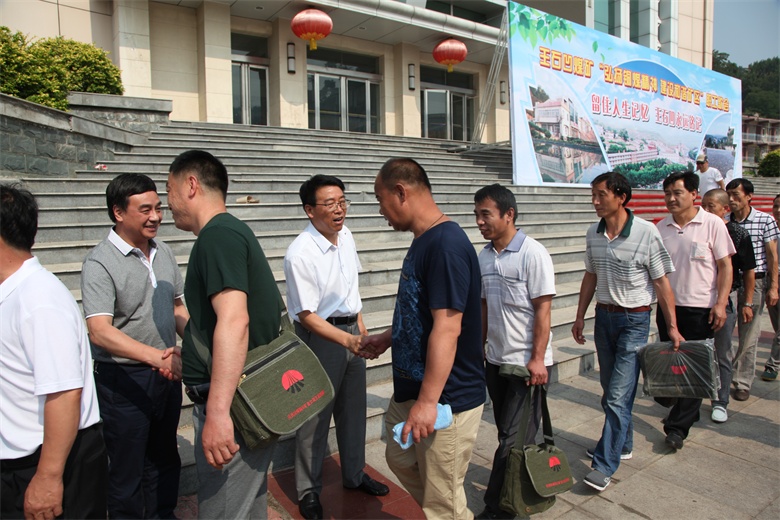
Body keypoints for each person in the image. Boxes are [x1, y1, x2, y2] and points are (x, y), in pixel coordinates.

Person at [361, 158, 486, 519]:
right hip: (414, 388)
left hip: (446, 398)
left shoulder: (445, 245)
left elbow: (447, 327)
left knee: (443, 504)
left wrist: (428, 402)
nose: (380, 210)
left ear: (401, 192)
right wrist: (390, 337)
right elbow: (422, 312)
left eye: (380, 199)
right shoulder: (424, 239)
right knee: (399, 456)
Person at [166, 150, 284, 519]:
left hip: (234, 406)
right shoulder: (228, 231)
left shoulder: (217, 236)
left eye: (168, 190)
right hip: (242, 398)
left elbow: (234, 321)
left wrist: (218, 413)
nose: (167, 202)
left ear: (191, 185)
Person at [81, 173, 189, 518]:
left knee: (164, 458)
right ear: (118, 212)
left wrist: (198, 345)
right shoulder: (100, 262)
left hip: (166, 375)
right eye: (145, 210)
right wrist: (157, 357)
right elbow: (100, 332)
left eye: (158, 207)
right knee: (126, 471)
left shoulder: (163, 251)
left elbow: (177, 307)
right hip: (124, 381)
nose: (155, 216)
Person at [284, 175, 389, 520]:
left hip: (351, 332)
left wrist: (360, 326)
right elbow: (307, 315)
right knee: (314, 417)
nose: (339, 209)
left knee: (353, 409)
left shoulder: (346, 236)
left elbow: (350, 288)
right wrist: (347, 339)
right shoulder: (300, 253)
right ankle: (308, 491)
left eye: (342, 201)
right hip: (321, 338)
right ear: (309, 210)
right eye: (330, 204)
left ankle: (354, 474)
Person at [0, 184, 107, 519]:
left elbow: (64, 393)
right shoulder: (14, 293)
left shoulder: (39, 300)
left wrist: (47, 478)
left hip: (48, 463)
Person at [571, 171, 681, 492]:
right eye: (593, 195)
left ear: (621, 197)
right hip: (604, 319)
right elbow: (590, 275)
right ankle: (623, 443)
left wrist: (672, 327)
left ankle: (604, 464)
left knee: (618, 395)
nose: (595, 201)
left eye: (601, 195)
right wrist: (579, 316)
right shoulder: (593, 232)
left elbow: (661, 283)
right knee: (611, 390)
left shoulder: (646, 232)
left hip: (634, 321)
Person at [473, 184, 554, 519]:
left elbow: (543, 310)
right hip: (496, 360)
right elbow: (483, 306)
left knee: (512, 438)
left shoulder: (533, 253)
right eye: (477, 215)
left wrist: (537, 359)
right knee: (509, 434)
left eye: (485, 214)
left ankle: (498, 508)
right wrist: (480, 347)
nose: (480, 222)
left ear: (509, 214)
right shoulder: (483, 256)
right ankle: (519, 491)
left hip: (525, 365)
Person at [656, 171, 734, 450]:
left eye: (677, 193)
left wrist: (721, 304)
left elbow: (725, 266)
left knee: (694, 368)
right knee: (672, 366)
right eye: (667, 193)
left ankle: (677, 428)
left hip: (701, 309)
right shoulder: (660, 228)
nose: (671, 198)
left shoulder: (712, 224)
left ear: (693, 194)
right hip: (668, 309)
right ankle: (683, 408)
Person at [701, 189, 755, 423]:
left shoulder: (737, 233)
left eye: (711, 206)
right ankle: (690, 400)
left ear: (725, 209)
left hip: (725, 300)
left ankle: (720, 401)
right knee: (697, 351)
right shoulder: (698, 230)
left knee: (722, 352)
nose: (705, 210)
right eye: (703, 205)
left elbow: (749, 271)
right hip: (698, 299)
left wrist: (747, 303)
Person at [726, 178, 780, 401]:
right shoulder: (724, 222)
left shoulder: (765, 220)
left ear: (749, 196)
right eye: (729, 195)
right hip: (729, 283)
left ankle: (742, 381)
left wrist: (773, 286)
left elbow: (772, 256)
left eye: (736, 195)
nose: (731, 200)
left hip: (756, 283)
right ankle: (725, 374)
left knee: (749, 335)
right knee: (724, 334)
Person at [762, 194, 780, 382]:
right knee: (777, 327)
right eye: (776, 206)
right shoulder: (770, 230)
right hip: (771, 281)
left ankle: (772, 364)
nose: (778, 210)